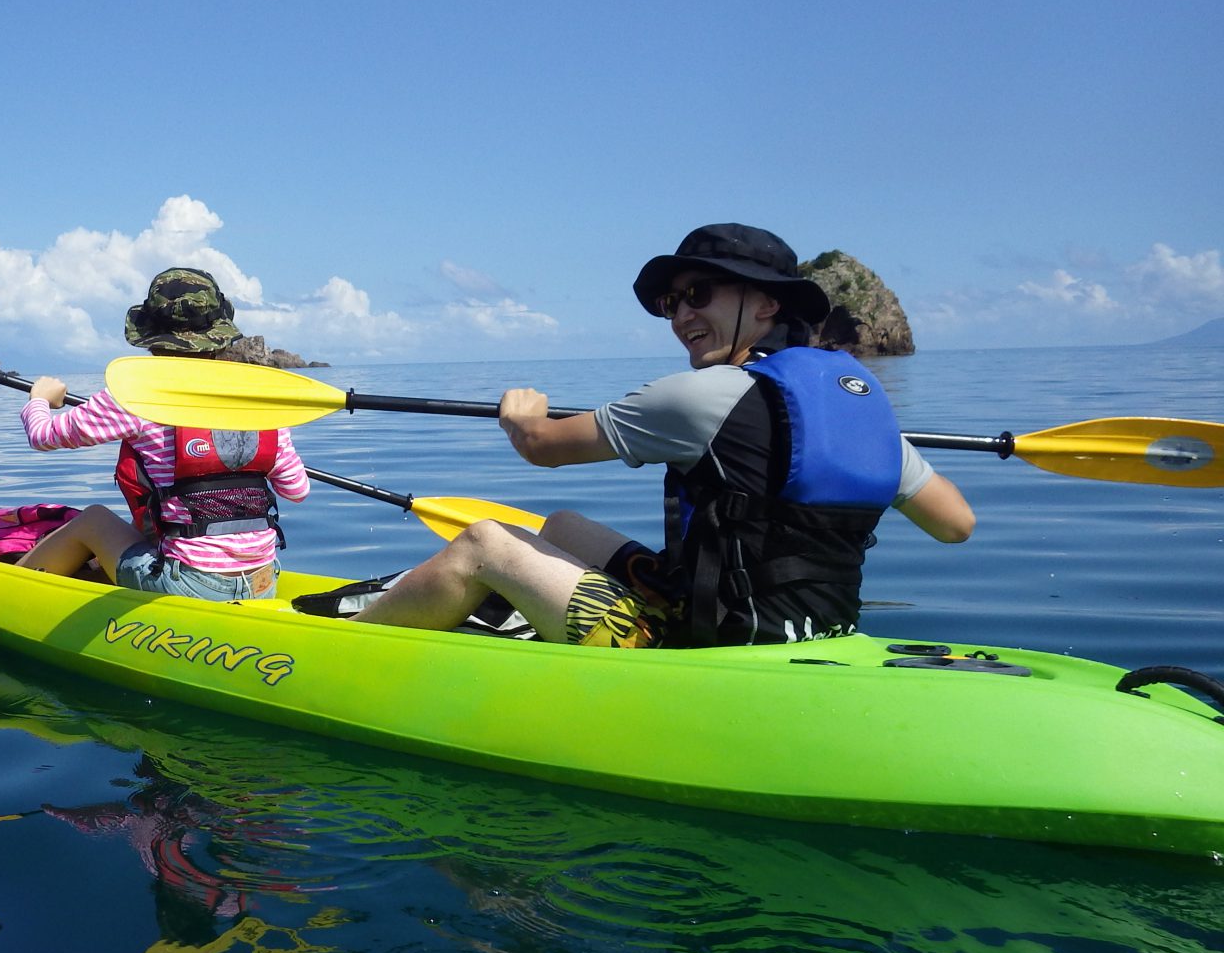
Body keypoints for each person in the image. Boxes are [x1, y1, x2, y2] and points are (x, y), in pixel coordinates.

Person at [356, 223, 975, 647]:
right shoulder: (860, 410)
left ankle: (356, 641)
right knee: (563, 526)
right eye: (671, 303)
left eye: (698, 294)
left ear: (765, 304)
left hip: (703, 643)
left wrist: (522, 413)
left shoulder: (697, 396)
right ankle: (503, 615)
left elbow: (542, 447)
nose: (680, 316)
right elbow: (956, 524)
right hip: (815, 630)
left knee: (485, 542)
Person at [13, 267, 310, 600]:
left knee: (93, 519)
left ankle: (11, 593)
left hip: (188, 585)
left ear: (152, 338)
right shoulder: (259, 402)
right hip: (263, 581)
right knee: (152, 524)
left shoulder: (135, 397)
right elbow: (297, 490)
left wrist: (40, 399)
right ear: (218, 334)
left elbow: (43, 435)